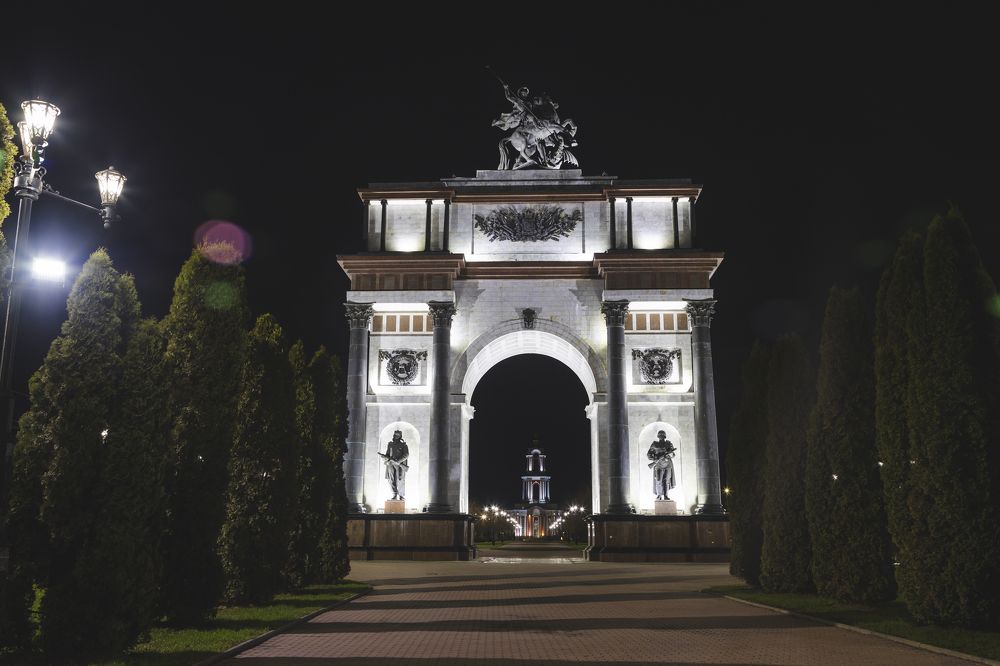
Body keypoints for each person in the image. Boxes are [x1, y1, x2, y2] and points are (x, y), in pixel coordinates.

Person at [647, 430, 676, 500]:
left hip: (667, 464)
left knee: (666, 480)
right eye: (660, 436)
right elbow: (649, 455)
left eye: (662, 436)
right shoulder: (654, 444)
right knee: (659, 480)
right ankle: (659, 495)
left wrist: (668, 455)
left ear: (664, 436)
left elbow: (673, 455)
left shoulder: (668, 443)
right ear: (658, 436)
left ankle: (666, 496)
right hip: (658, 464)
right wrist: (655, 458)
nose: (661, 437)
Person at [380, 430, 409, 500]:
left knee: (400, 479)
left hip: (400, 464)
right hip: (391, 464)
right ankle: (394, 494)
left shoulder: (403, 445)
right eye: (394, 435)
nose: (395, 436)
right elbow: (387, 454)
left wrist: (398, 461)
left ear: (400, 436)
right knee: (391, 479)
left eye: (397, 435)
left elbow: (406, 455)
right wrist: (385, 458)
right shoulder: (390, 444)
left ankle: (401, 495)